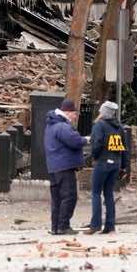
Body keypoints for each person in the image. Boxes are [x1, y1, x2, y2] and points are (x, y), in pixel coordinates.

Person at [44, 98, 89, 235]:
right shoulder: (63, 127)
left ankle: (55, 226)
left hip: (53, 166)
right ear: (68, 112)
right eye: (75, 113)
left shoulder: (51, 125)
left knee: (57, 198)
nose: (75, 116)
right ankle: (64, 225)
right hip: (64, 166)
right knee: (69, 196)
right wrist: (85, 140)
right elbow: (75, 141)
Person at [83, 101, 129, 235]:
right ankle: (110, 226)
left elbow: (96, 144)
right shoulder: (119, 127)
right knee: (109, 194)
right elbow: (125, 148)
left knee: (96, 193)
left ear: (103, 112)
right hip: (116, 163)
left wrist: (95, 157)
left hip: (102, 162)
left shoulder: (100, 126)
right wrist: (124, 167)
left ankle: (95, 224)